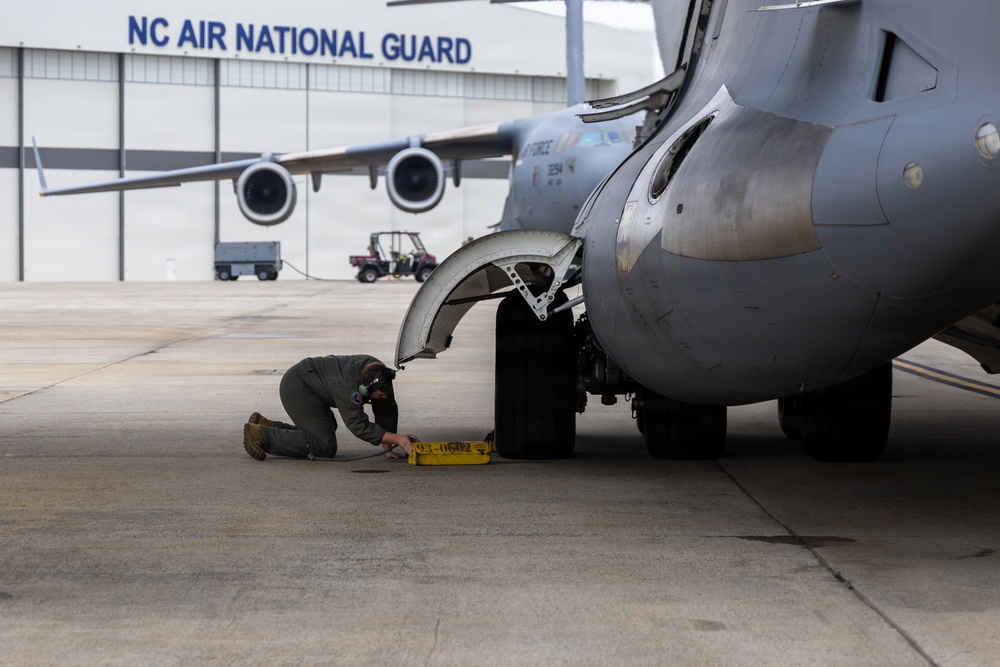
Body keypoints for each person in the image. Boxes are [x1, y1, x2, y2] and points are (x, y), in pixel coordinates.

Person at [243, 354, 417, 461]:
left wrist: (389, 447)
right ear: (365, 388)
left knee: (327, 429)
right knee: (324, 445)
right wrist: (396, 438)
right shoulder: (348, 387)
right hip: (298, 386)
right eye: (380, 394)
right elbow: (358, 425)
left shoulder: (378, 374)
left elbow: (386, 410)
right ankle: (261, 435)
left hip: (312, 384)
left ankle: (269, 426)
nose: (385, 396)